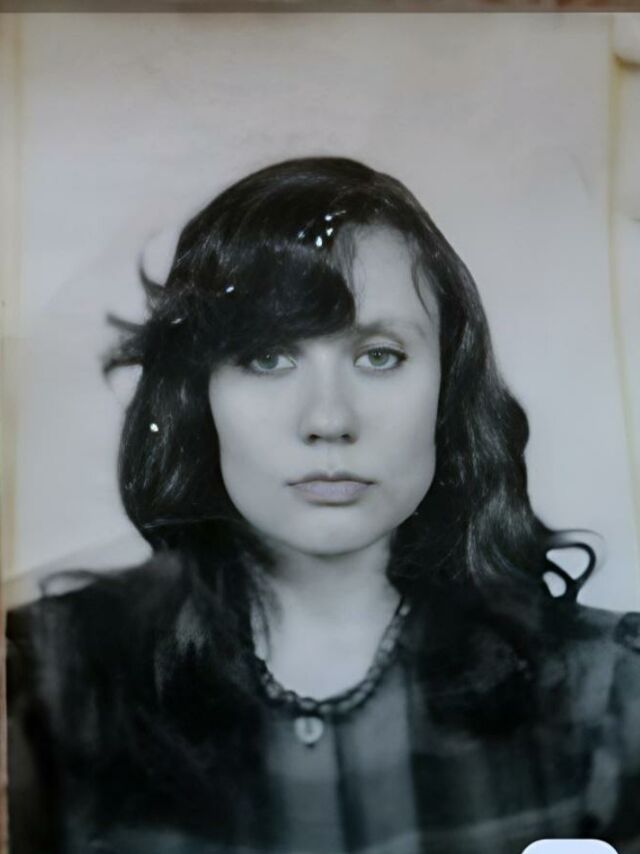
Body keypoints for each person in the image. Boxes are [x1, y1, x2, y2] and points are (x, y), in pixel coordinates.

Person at [6, 156, 640, 854]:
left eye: (379, 356)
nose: (328, 419)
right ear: (197, 395)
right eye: (267, 357)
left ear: (448, 388)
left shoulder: (610, 694)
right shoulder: (47, 687)